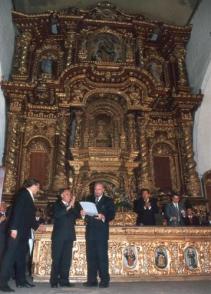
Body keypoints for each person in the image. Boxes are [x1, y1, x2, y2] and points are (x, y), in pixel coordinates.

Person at [0, 178, 44, 292]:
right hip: (17, 232)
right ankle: (2, 283)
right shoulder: (23, 194)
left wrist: (36, 226)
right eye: (38, 187)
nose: (38, 189)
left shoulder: (28, 195)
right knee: (9, 258)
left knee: (21, 258)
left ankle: (21, 281)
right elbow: (17, 211)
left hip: (23, 232)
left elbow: (28, 216)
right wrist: (14, 228)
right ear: (33, 185)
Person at [81, 182, 115, 288]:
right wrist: (83, 214)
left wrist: (103, 216)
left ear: (103, 190)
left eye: (99, 189)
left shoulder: (108, 201)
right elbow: (86, 216)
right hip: (90, 232)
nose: (97, 191)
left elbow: (112, 214)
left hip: (101, 233)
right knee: (91, 257)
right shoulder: (89, 199)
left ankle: (104, 280)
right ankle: (92, 280)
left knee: (102, 257)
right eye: (95, 189)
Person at [50, 188, 79, 288]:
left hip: (69, 236)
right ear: (62, 195)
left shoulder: (72, 206)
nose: (69, 196)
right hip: (58, 237)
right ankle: (54, 281)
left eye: (70, 194)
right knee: (56, 259)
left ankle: (64, 281)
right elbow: (57, 215)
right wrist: (69, 206)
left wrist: (73, 205)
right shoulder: (56, 204)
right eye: (67, 194)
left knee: (67, 260)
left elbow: (77, 215)